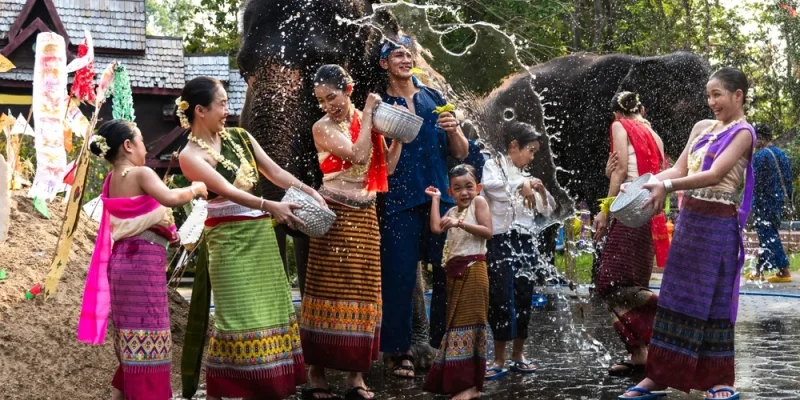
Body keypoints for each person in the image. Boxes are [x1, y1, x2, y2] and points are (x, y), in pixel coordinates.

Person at [178, 77, 326, 400]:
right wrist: (270, 205)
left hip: (259, 237)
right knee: (235, 318)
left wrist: (310, 190)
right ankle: (225, 389)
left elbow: (275, 172)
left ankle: (266, 388)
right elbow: (227, 190)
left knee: (270, 311)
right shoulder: (189, 155)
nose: (227, 110)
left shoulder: (240, 137)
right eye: (222, 104)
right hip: (227, 241)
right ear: (200, 110)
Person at [621, 67, 755, 400]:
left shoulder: (744, 133)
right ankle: (658, 376)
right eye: (708, 95)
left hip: (718, 225)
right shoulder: (701, 128)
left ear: (738, 95)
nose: (711, 102)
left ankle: (719, 379)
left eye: (717, 95)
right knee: (675, 297)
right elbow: (679, 169)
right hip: (690, 221)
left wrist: (666, 187)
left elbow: (715, 174)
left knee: (713, 300)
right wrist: (642, 184)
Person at [77, 119, 208, 400]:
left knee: (132, 341)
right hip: (141, 266)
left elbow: (136, 221)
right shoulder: (141, 173)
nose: (145, 149)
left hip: (122, 264)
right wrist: (195, 189)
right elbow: (170, 198)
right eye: (141, 142)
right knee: (150, 340)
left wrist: (167, 233)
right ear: (128, 145)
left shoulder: (111, 181)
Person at [298, 65, 399, 400]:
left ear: (348, 89)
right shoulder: (322, 127)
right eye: (321, 100)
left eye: (332, 97)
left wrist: (398, 139)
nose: (328, 105)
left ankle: (356, 375)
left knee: (364, 290)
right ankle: (316, 371)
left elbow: (386, 166)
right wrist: (369, 112)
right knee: (327, 287)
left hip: (366, 214)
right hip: (335, 215)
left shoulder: (364, 120)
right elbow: (358, 154)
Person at [377, 36, 469, 378]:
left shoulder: (434, 98)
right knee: (399, 275)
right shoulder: (380, 104)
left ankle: (442, 345)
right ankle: (398, 351)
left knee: (447, 272)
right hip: (399, 200)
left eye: (408, 54)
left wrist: (455, 130)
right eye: (397, 55)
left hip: (439, 199)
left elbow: (459, 152)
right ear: (384, 63)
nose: (405, 59)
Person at [591, 91, 668, 377]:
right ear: (641, 109)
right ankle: (639, 354)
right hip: (649, 213)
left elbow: (621, 170)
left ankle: (671, 316)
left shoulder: (619, 126)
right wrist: (609, 172)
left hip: (630, 209)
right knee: (632, 281)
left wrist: (605, 210)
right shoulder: (655, 135)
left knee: (610, 282)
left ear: (616, 113)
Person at [481, 128, 555, 379]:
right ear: (514, 145)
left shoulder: (529, 176)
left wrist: (540, 190)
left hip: (525, 240)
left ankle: (518, 354)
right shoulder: (493, 166)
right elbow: (492, 189)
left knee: (524, 295)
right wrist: (520, 185)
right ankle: (498, 357)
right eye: (530, 150)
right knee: (500, 296)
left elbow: (547, 210)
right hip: (500, 239)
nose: (532, 157)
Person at [422, 165, 492, 400]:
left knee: (471, 325)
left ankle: (473, 387)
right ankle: (459, 382)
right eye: (458, 188)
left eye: (469, 187)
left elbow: (487, 231)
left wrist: (459, 224)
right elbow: (435, 228)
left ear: (478, 188)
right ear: (450, 192)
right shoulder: (452, 211)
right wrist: (435, 200)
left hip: (474, 270)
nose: (464, 193)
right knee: (456, 326)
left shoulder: (478, 203)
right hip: (454, 273)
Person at [749, 123, 793, 283]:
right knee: (767, 234)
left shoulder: (760, 157)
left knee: (767, 234)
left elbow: (754, 184)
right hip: (778, 201)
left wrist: (746, 202)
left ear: (759, 138)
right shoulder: (782, 154)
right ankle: (759, 271)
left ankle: (784, 270)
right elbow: (788, 181)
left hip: (764, 202)